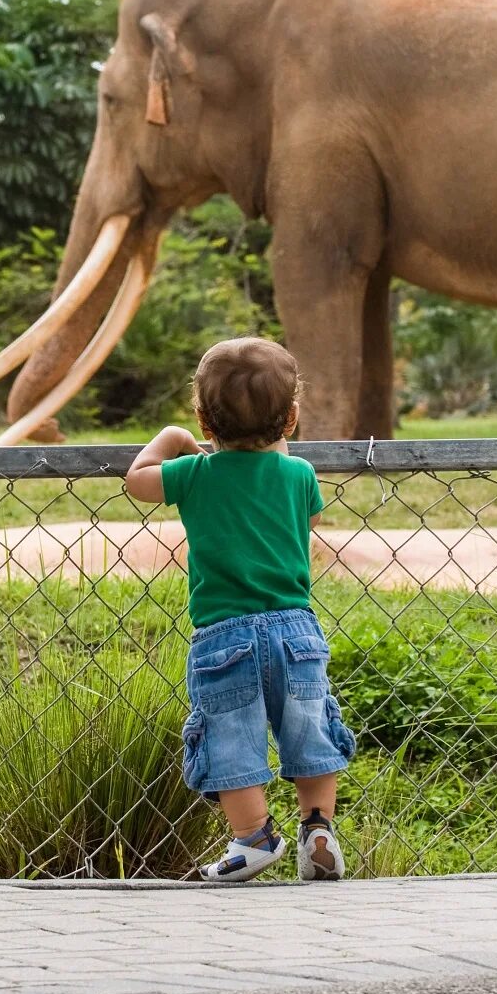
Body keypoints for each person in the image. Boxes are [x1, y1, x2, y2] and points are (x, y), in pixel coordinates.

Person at [125, 337, 357, 882]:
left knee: (231, 733)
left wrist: (172, 437)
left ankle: (253, 838)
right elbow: (308, 522)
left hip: (224, 634)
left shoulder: (196, 475)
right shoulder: (299, 475)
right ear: (292, 420)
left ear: (205, 422)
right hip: (295, 628)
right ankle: (317, 827)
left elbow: (138, 480)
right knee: (308, 728)